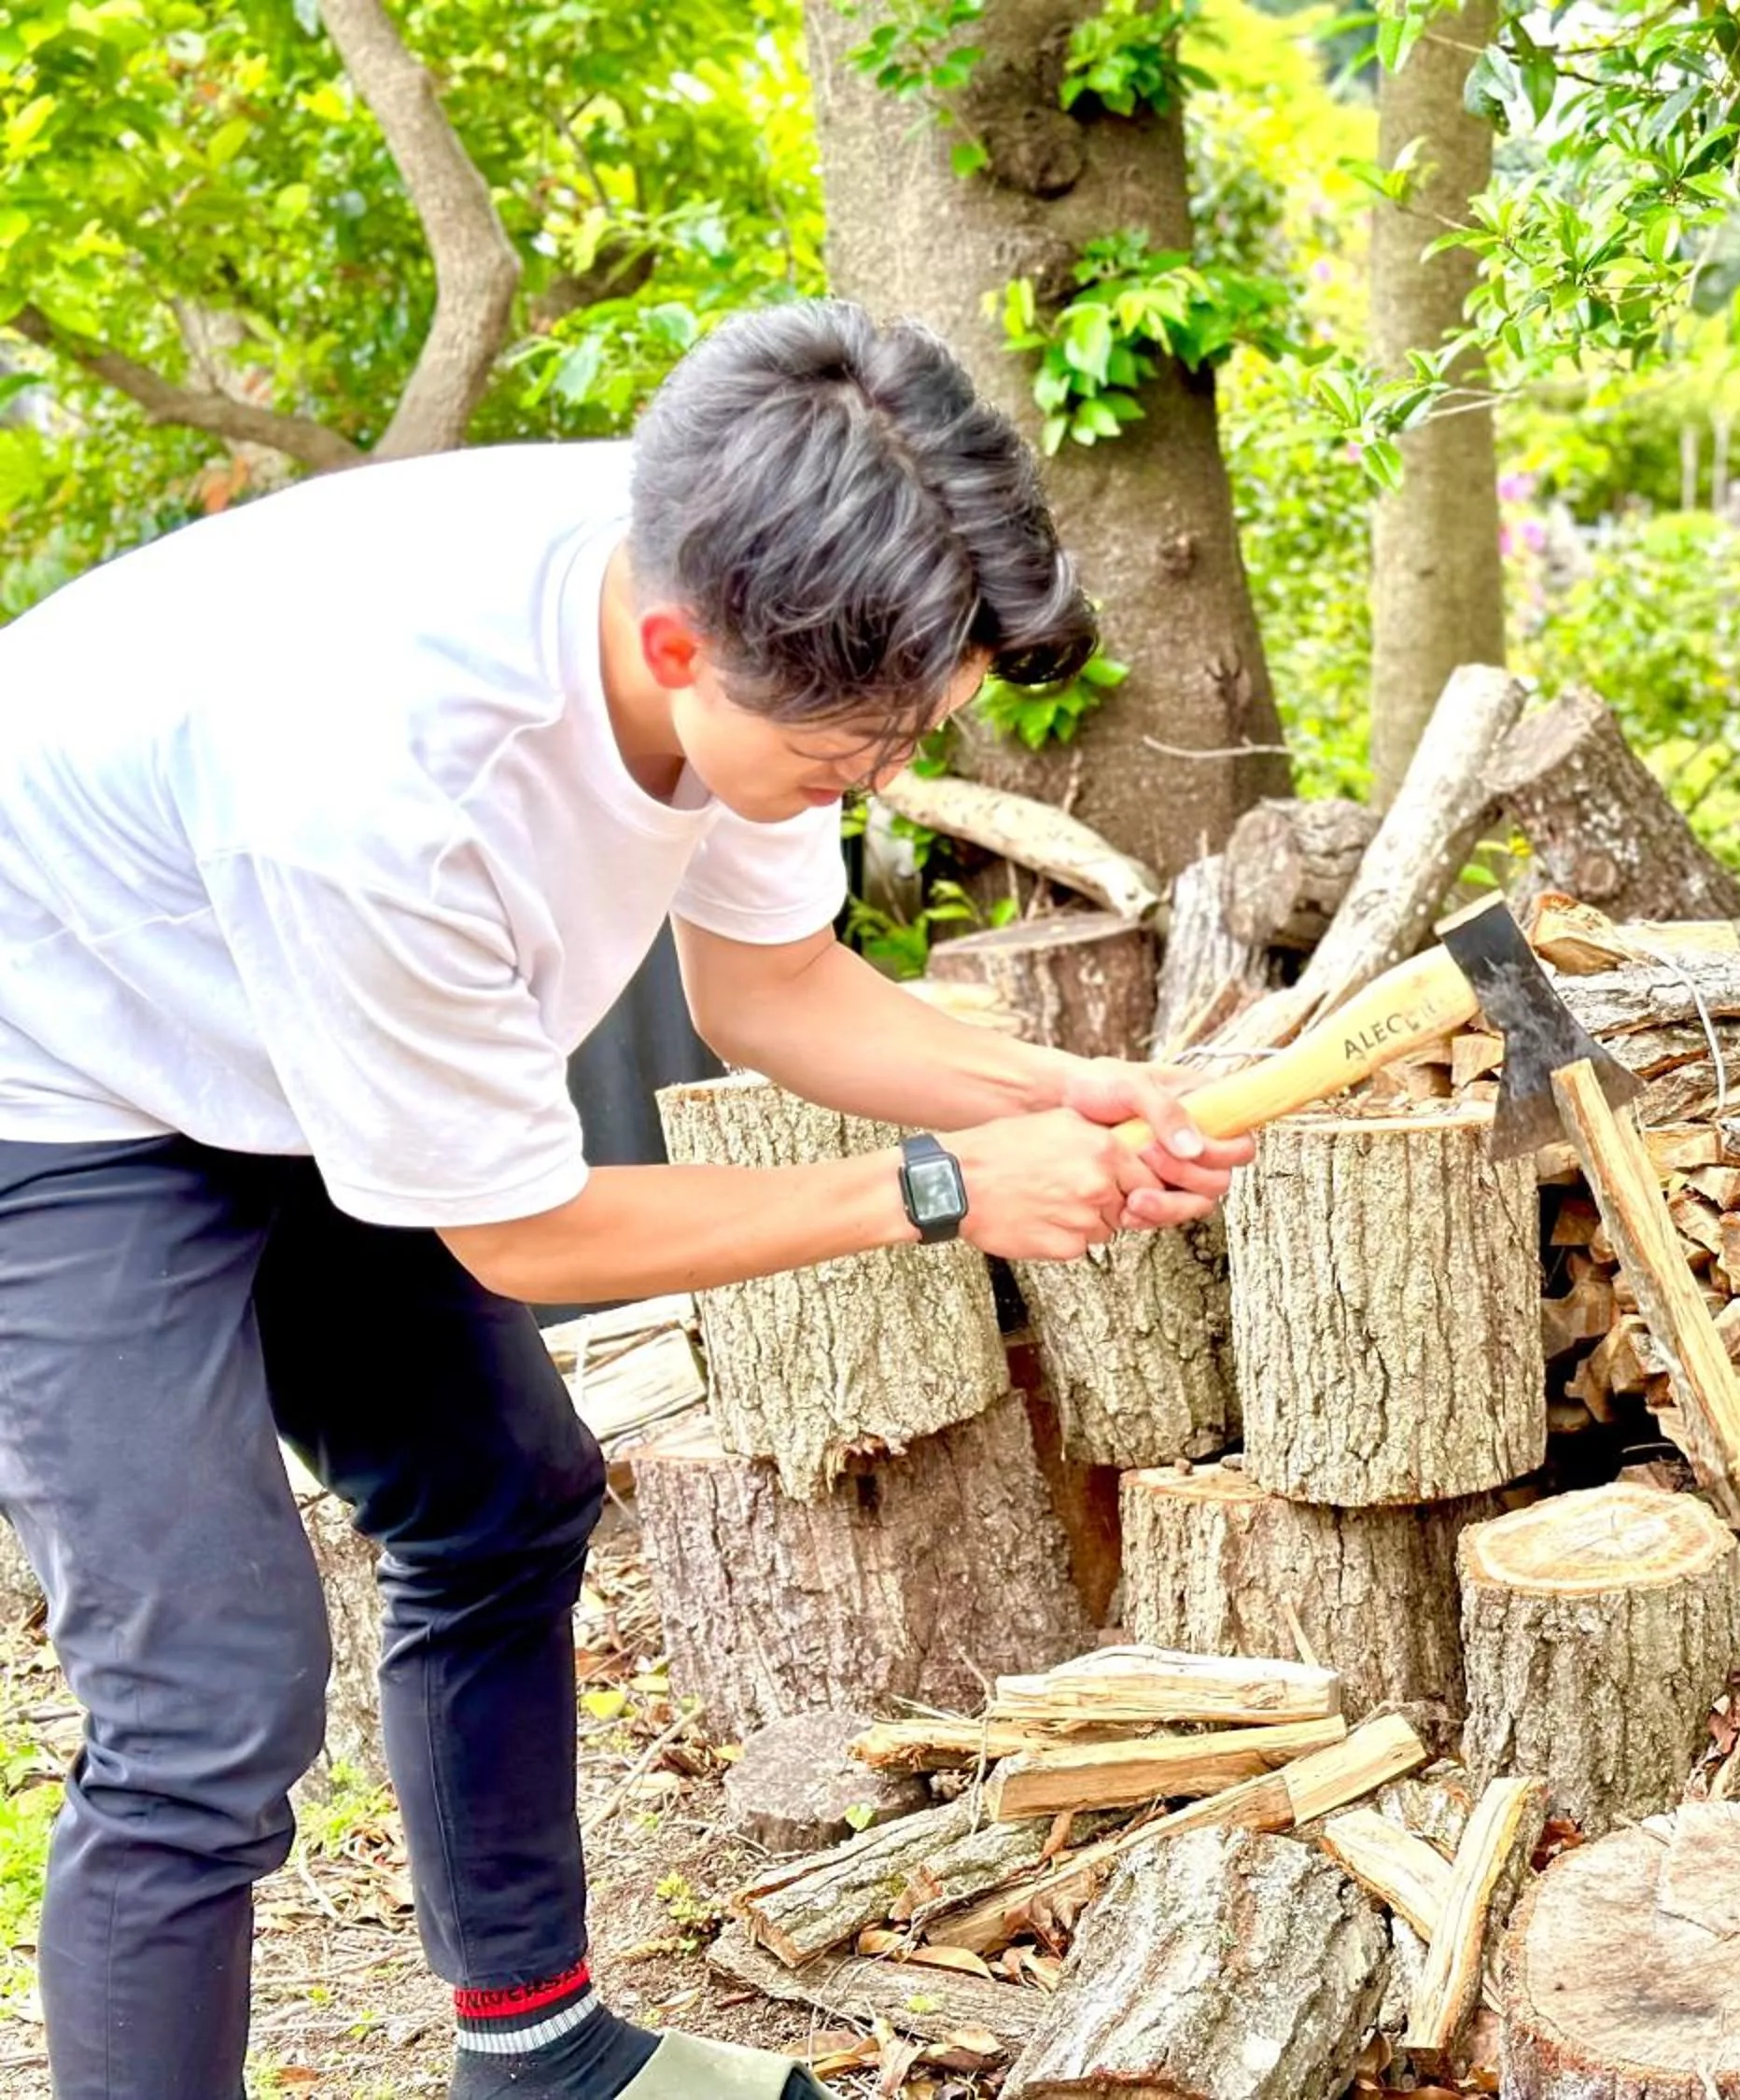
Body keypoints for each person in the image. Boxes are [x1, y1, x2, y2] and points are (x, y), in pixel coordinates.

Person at [0, 298, 1251, 2100]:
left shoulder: (775, 560)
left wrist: (1060, 1089)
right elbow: (520, 1235)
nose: (881, 784)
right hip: (52, 1072)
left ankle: (538, 2050)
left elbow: (773, 987)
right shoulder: (379, 781)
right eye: (849, 764)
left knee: (506, 1495)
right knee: (205, 1705)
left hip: (283, 1011)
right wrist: (937, 1186)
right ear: (679, 645)